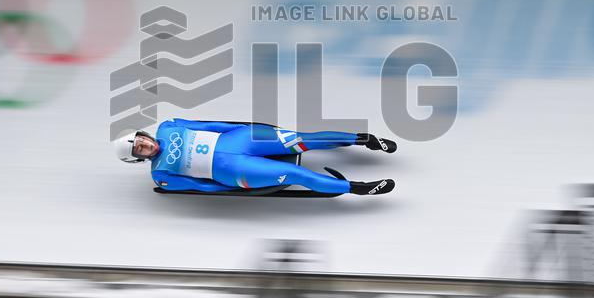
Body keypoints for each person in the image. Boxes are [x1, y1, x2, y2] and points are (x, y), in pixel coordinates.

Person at [115, 118, 396, 195]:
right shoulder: (161, 176)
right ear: (138, 158)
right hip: (233, 170)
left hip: (239, 139)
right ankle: (357, 188)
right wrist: (233, 188)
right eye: (139, 149)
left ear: (144, 134)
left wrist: (242, 128)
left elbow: (207, 125)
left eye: (141, 140)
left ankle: (364, 139)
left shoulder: (168, 126)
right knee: (296, 174)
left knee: (303, 140)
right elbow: (201, 187)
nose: (145, 145)